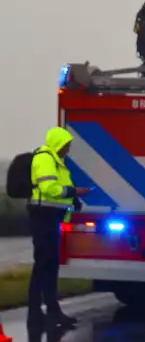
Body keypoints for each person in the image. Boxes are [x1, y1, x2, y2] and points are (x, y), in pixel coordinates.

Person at [28, 127, 89, 329]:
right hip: (43, 216)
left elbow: (59, 190)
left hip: (49, 216)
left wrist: (74, 198)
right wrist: (73, 191)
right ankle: (46, 313)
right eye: (66, 145)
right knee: (45, 265)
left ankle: (41, 313)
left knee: (45, 266)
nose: (68, 148)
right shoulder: (45, 158)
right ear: (58, 143)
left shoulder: (56, 161)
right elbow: (49, 188)